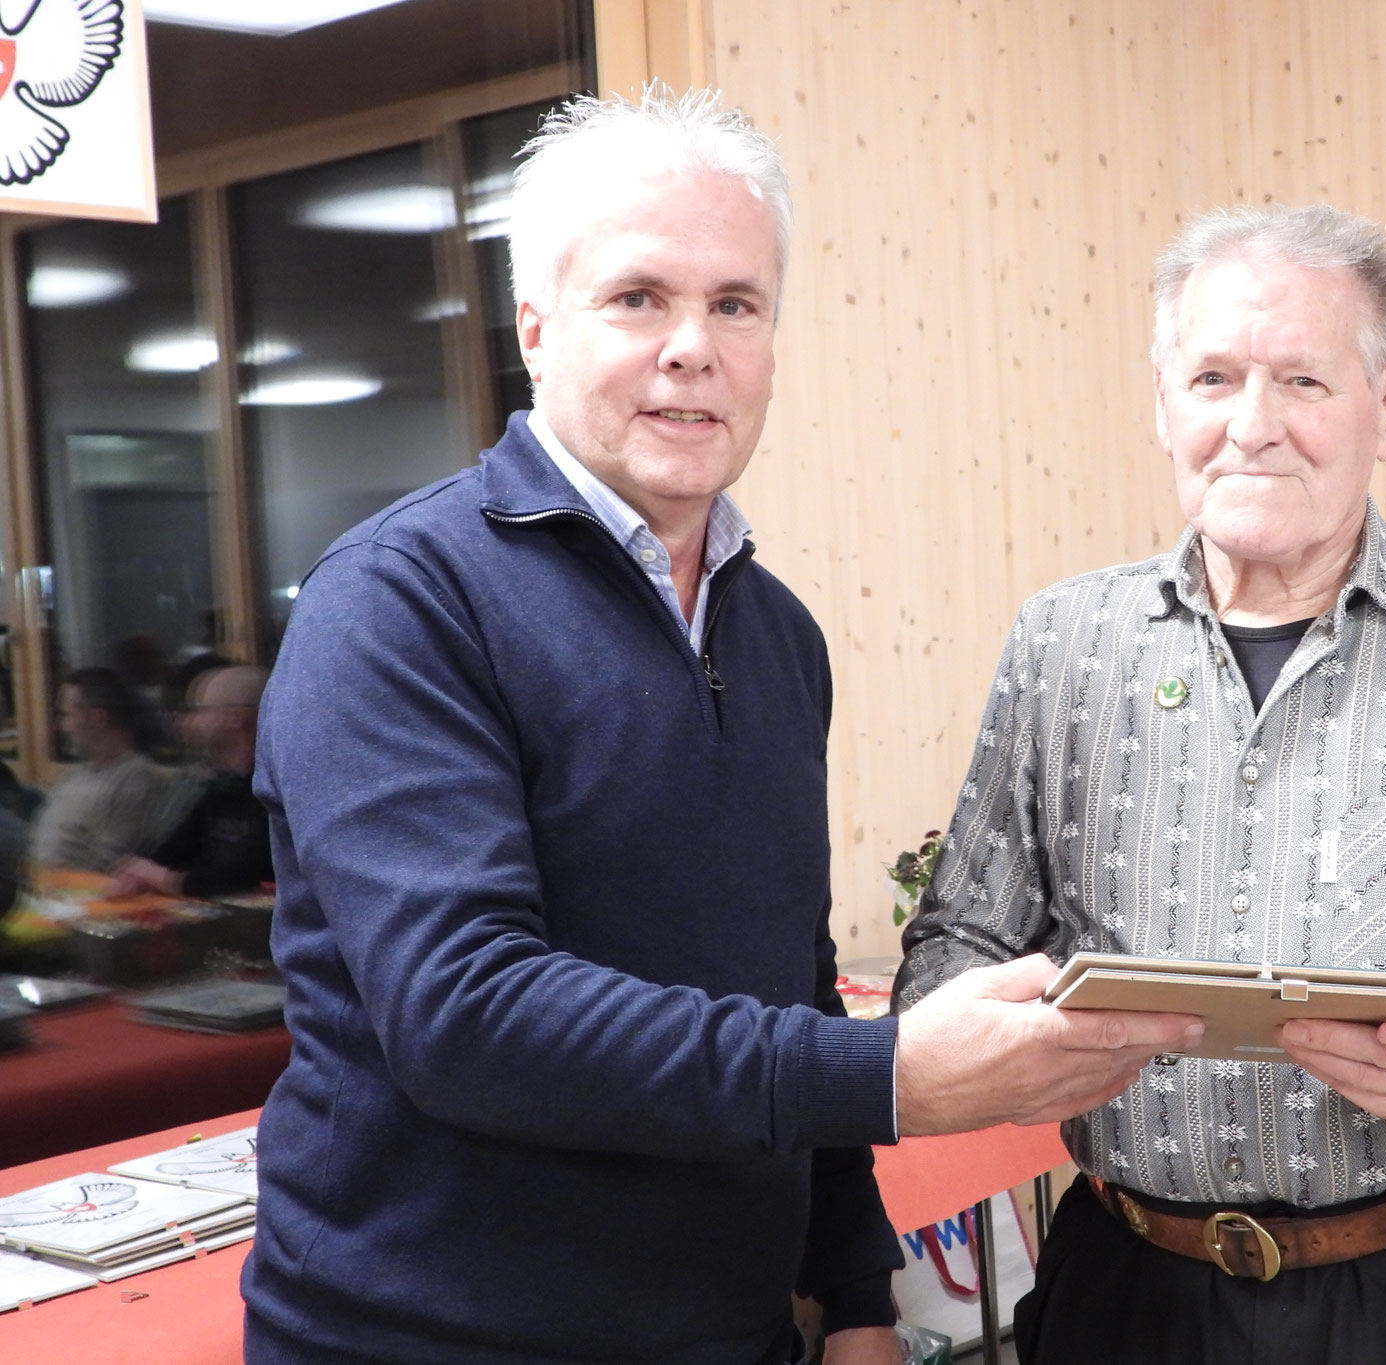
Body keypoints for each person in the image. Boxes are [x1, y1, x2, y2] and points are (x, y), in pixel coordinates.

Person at [243, 89, 1198, 1365]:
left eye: (735, 305)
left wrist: (854, 1293)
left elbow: (786, 977)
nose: (692, 347)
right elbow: (462, 1016)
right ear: (536, 329)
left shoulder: (775, 634)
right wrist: (890, 1076)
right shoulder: (398, 601)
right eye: (638, 298)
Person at [897, 204, 1386, 1363]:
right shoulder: (1059, 646)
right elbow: (951, 951)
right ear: (1162, 402)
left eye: (1303, 382)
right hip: (1127, 1295)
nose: (1251, 426)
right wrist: (1022, 1034)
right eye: (1213, 379)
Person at [104, 665, 271, 900]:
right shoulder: (221, 784)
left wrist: (166, 879)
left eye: (199, 710)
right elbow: (173, 853)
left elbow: (253, 871)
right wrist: (138, 874)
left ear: (234, 718)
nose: (190, 721)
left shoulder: (273, 787)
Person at [28, 667, 167, 873]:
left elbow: (109, 863)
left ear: (97, 719)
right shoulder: (75, 774)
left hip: (74, 889)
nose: (62, 726)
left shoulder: (135, 778)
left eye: (67, 715)